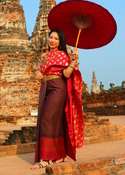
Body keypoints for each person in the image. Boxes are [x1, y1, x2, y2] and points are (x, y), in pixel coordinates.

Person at [31, 29, 84, 170]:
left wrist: (73, 61)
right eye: (51, 37)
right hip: (46, 87)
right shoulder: (44, 56)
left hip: (58, 89)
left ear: (60, 42)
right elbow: (41, 72)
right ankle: (60, 156)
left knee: (46, 119)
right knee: (52, 121)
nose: (52, 40)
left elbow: (66, 74)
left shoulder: (63, 56)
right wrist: (37, 73)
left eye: (56, 38)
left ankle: (47, 158)